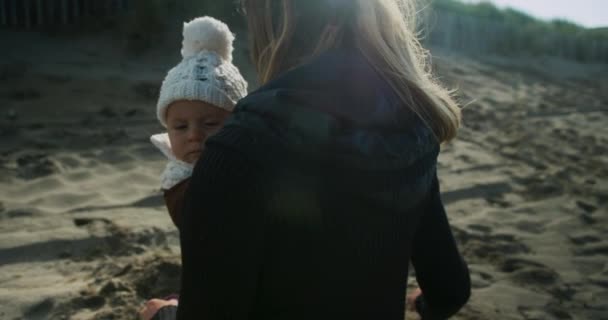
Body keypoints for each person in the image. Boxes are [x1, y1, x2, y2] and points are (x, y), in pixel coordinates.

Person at [147, 0, 470, 319]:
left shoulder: (237, 149)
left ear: (280, 15)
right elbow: (451, 289)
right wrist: (426, 305)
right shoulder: (411, 129)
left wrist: (164, 315)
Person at [149, 16, 248, 228]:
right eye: (181, 127)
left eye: (210, 123)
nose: (194, 135)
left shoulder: (252, 166)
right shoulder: (178, 181)